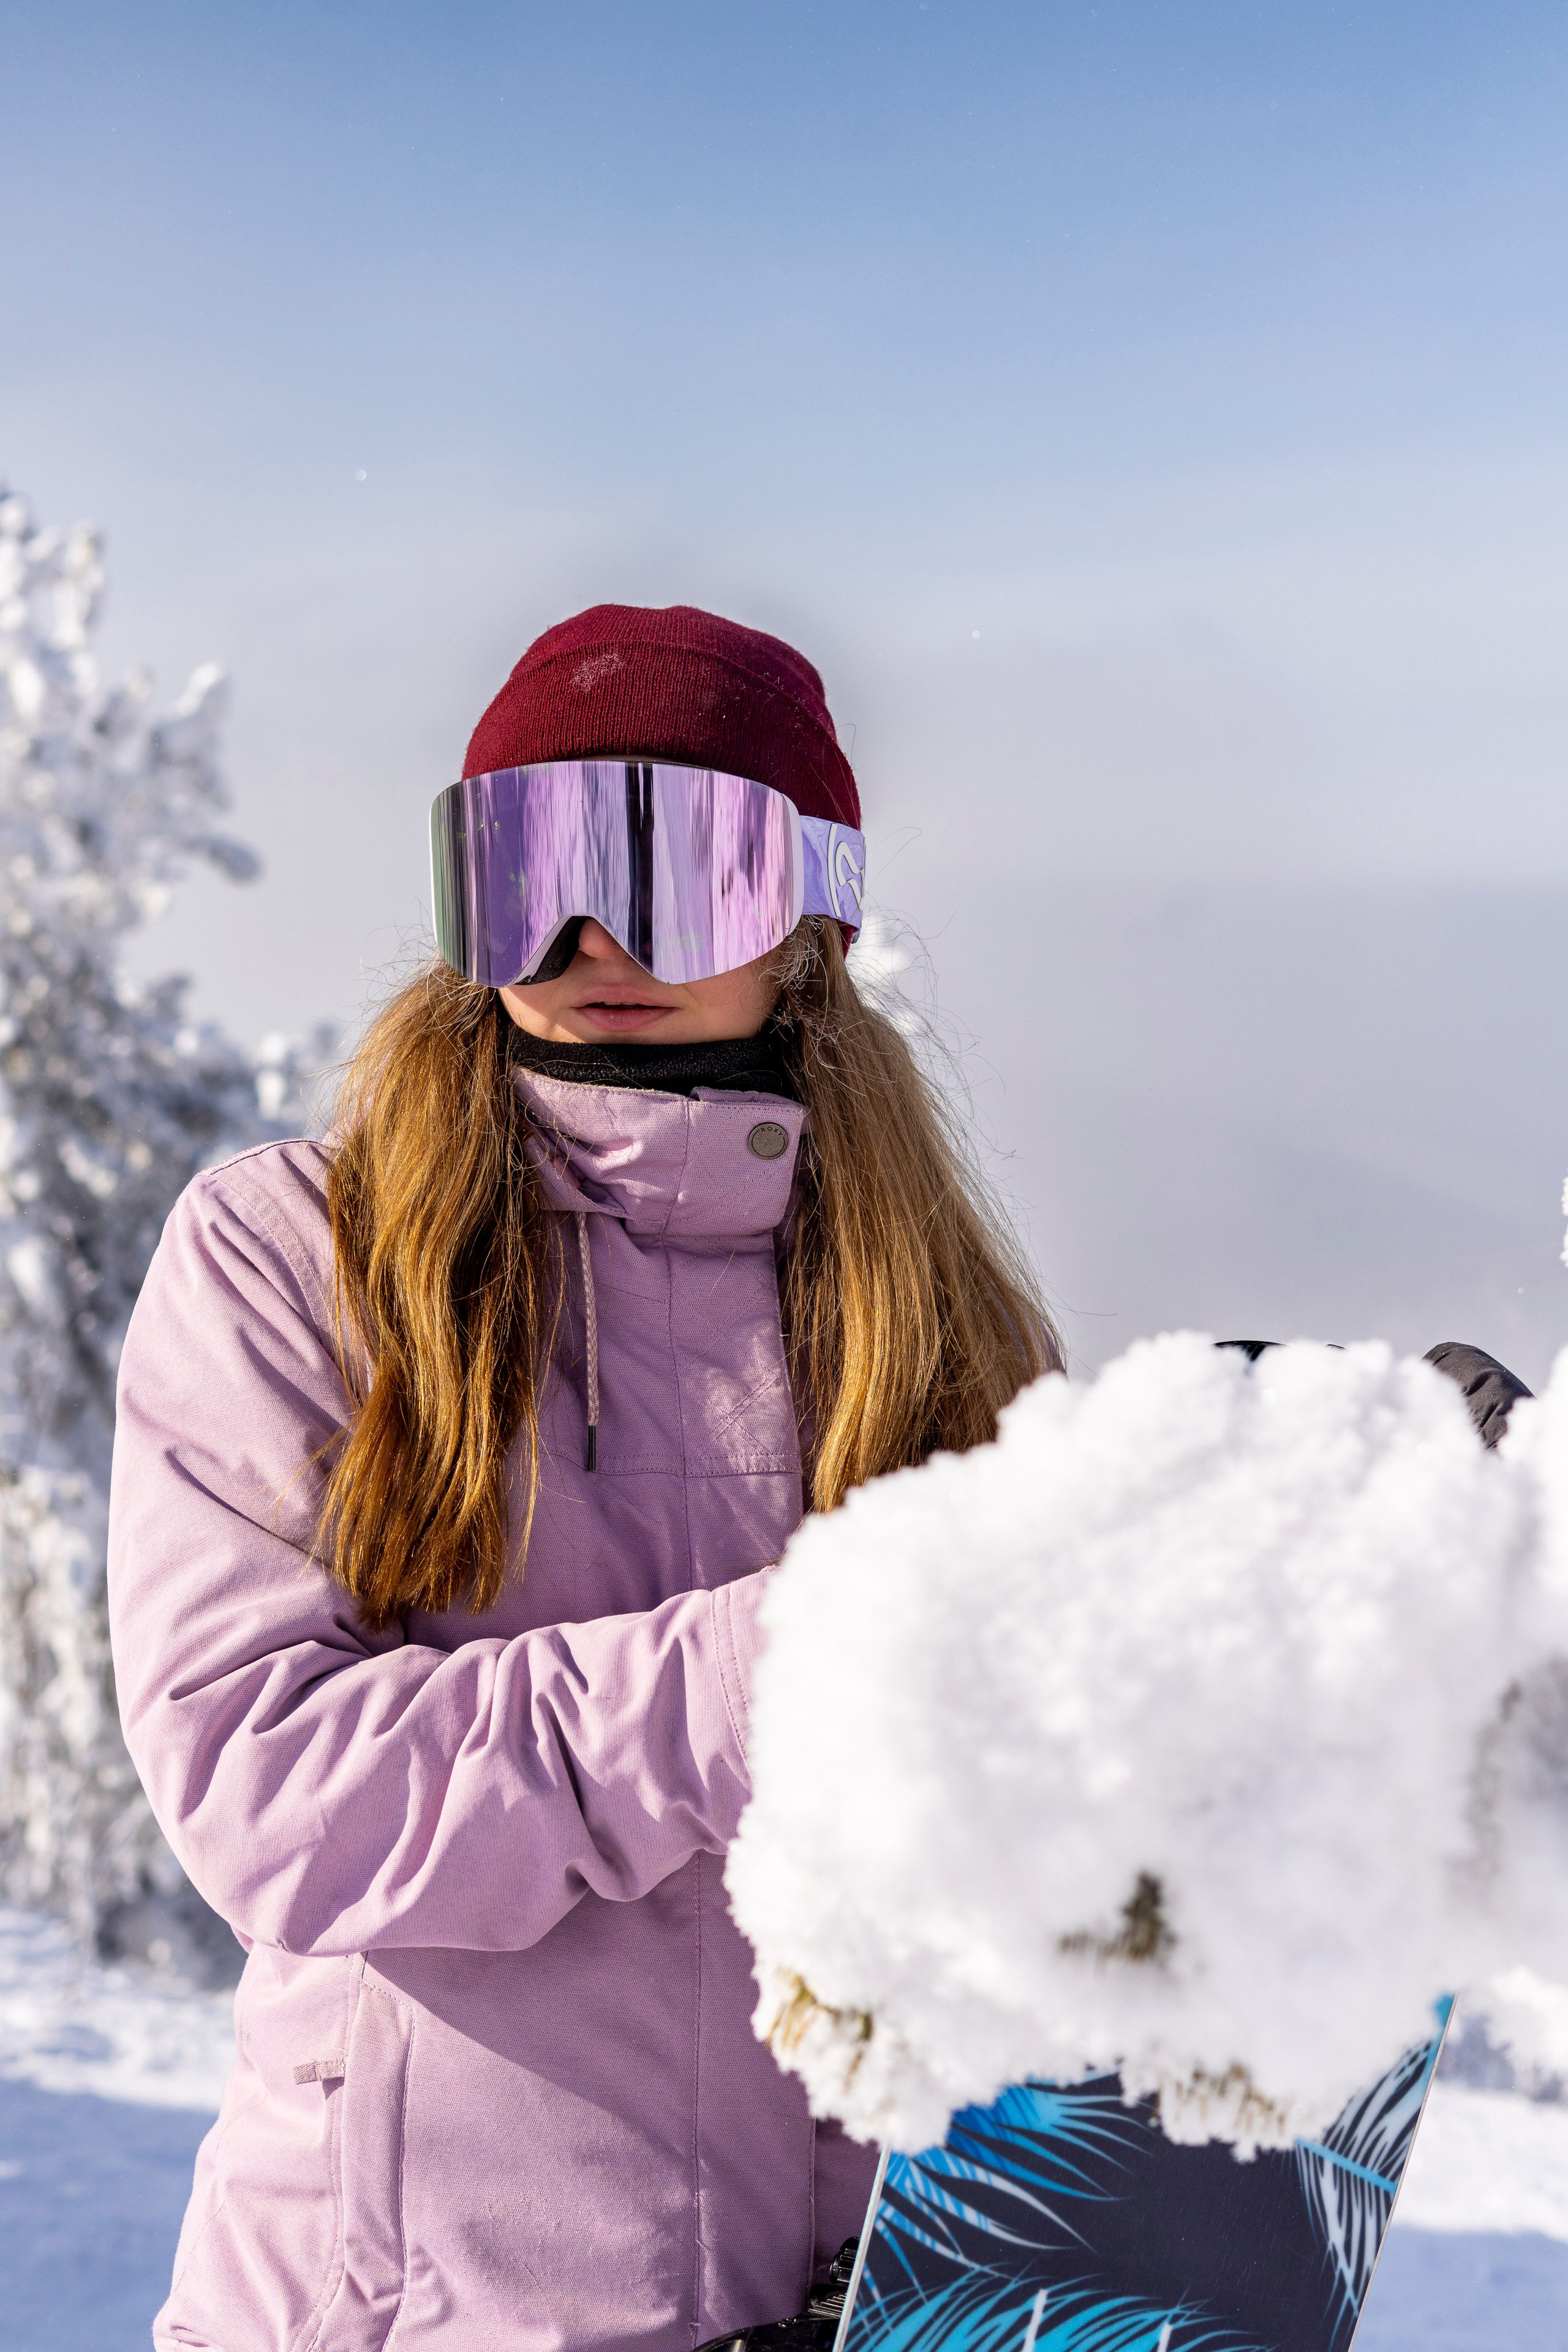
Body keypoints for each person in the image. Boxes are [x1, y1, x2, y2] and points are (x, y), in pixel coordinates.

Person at [107, 603, 1061, 2352]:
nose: (596, 932)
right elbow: (270, 1795)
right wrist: (809, 1665)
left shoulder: (933, 1310)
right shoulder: (303, 1260)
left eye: (681, 861)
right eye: (532, 858)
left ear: (811, 913)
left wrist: (1299, 1534)